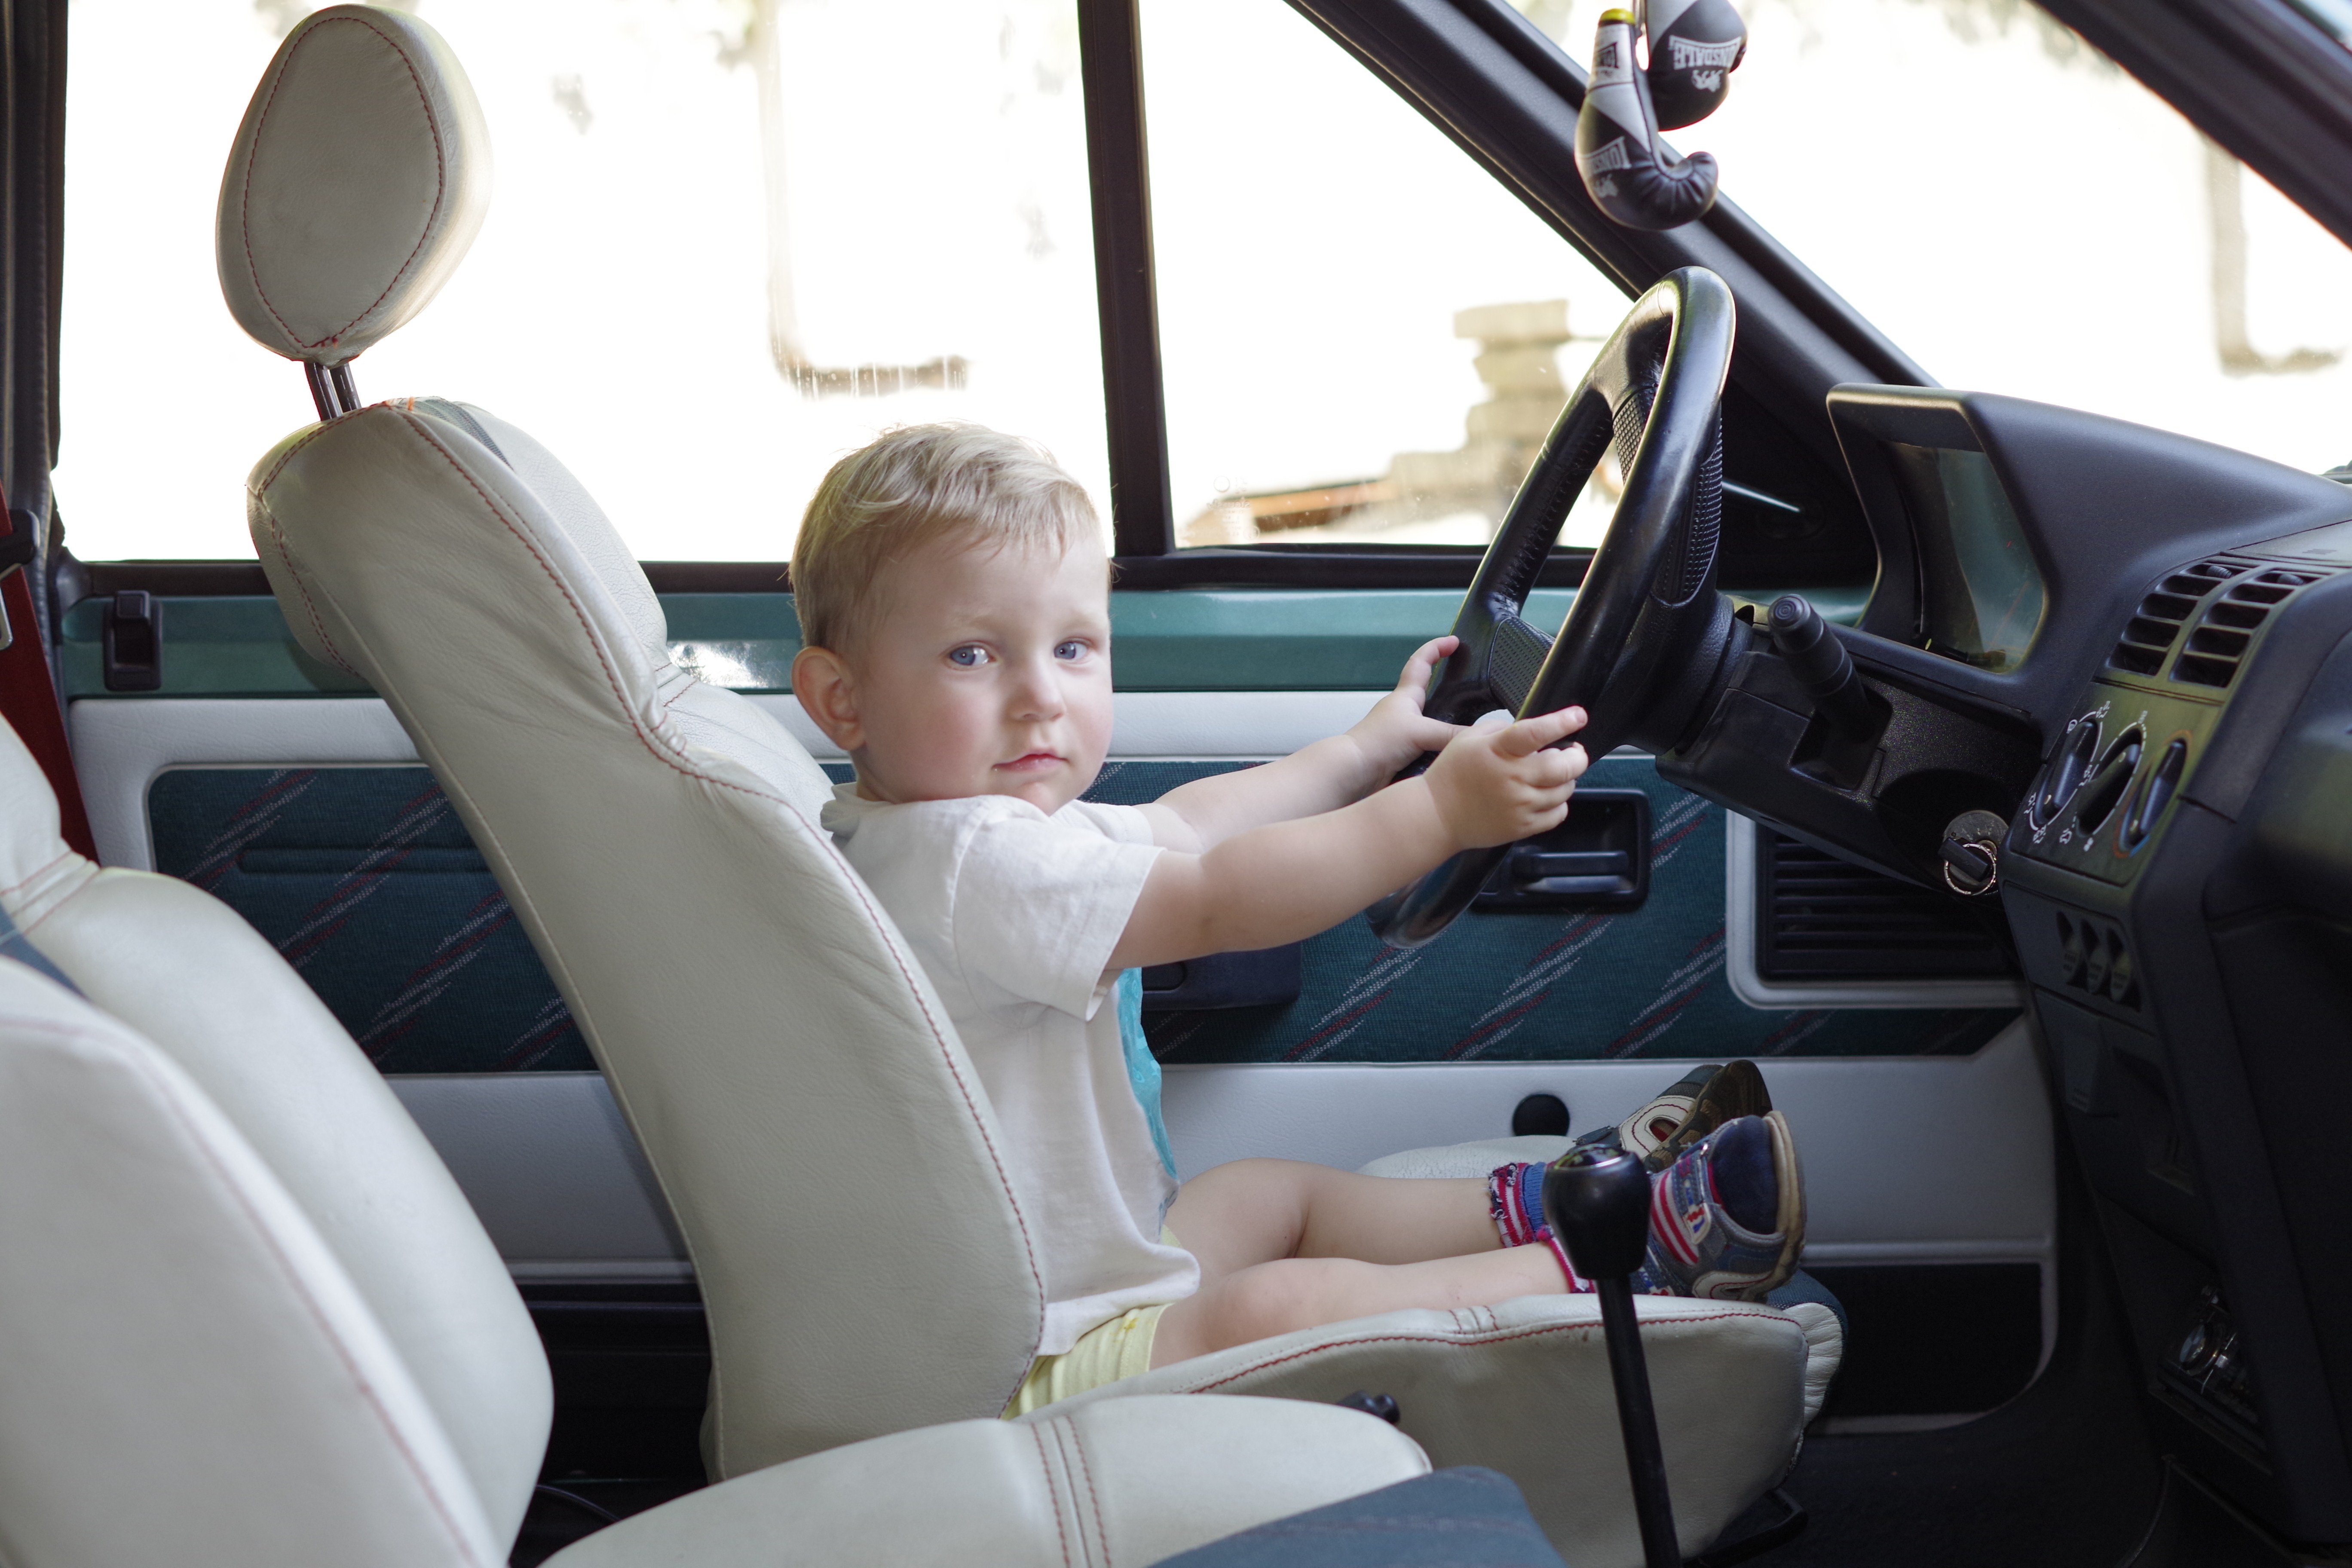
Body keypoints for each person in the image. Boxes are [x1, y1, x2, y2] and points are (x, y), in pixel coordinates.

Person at [791, 423, 1804, 1416]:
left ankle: (1562, 1197)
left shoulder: (959, 834)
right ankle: (1624, 1255)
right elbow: (1215, 895)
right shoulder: (969, 861)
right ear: (843, 702)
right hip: (1023, 1366)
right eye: (973, 655)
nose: (1041, 698)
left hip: (1063, 1285)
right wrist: (1437, 812)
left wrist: (1362, 753)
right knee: (1272, 1307)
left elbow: (1190, 824)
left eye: (1072, 647)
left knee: (1261, 1195)